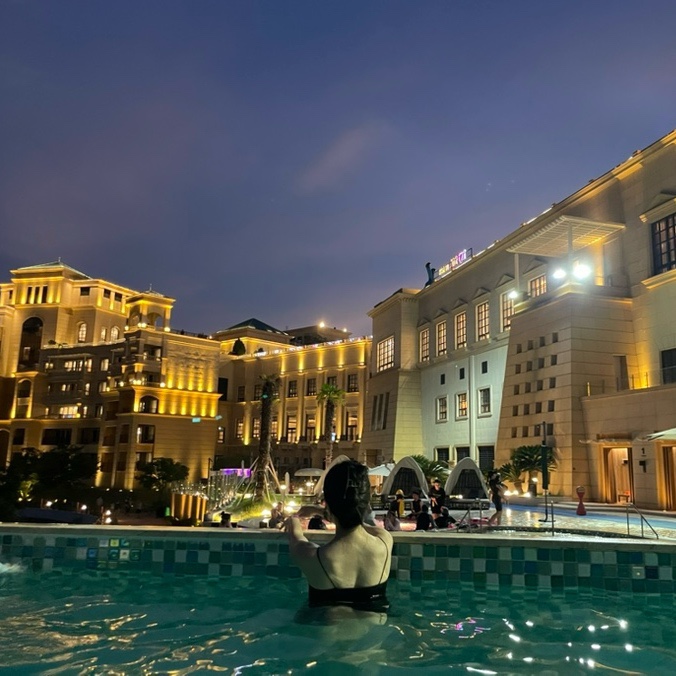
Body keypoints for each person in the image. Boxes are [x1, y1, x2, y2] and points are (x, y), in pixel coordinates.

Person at [285, 459, 393, 610]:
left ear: (328, 504)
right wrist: (325, 511)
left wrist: (294, 518)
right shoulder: (385, 541)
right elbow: (355, 520)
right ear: (367, 502)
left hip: (323, 624)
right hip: (378, 621)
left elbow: (296, 536)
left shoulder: (312, 557)